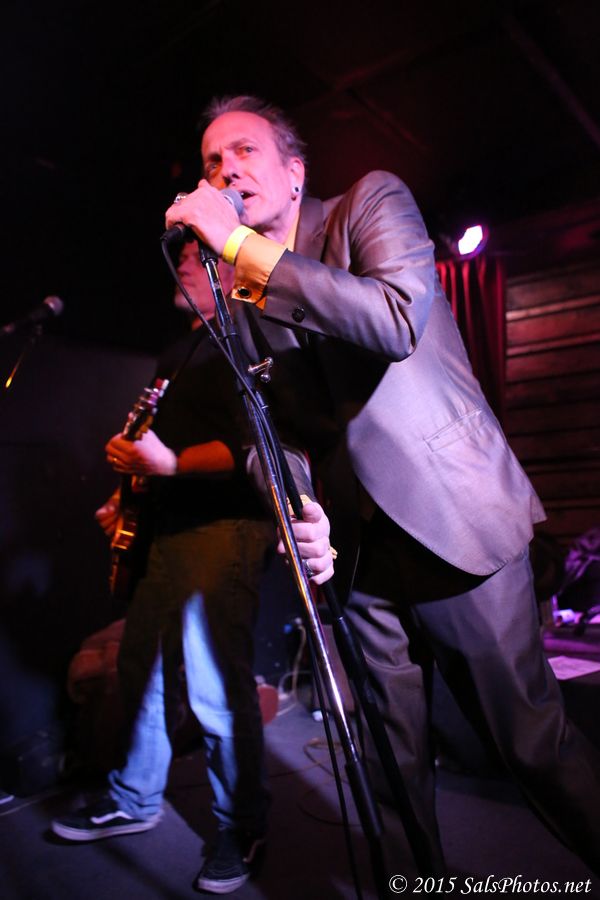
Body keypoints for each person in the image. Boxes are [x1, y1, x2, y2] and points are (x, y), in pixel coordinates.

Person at [162, 95, 600, 881]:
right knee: (390, 770)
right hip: (358, 558)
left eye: (243, 151)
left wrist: (238, 248)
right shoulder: (240, 299)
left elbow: (395, 320)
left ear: (295, 172)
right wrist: (298, 506)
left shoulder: (367, 203)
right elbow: (267, 438)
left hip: (454, 517)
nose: (224, 169)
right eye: (210, 161)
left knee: (532, 746)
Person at [51, 239, 334, 895]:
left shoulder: (242, 339)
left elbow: (253, 447)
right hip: (168, 528)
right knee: (141, 667)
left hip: (224, 527)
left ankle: (243, 823)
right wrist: (125, 492)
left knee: (214, 685)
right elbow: (158, 444)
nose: (180, 260)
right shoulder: (177, 352)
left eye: (194, 252)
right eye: (178, 252)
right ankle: (134, 796)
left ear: (229, 270)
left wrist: (171, 463)